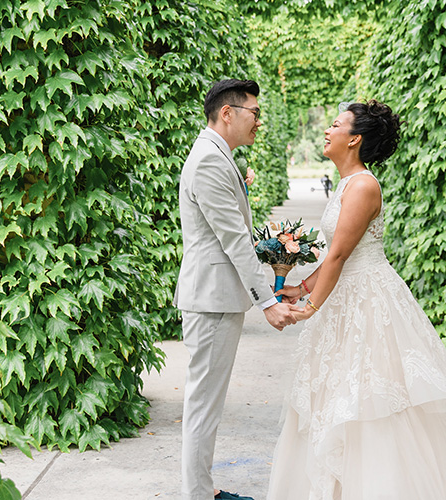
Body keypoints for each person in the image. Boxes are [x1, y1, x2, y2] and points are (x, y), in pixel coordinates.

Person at [268, 100, 446, 499]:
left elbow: (339, 255)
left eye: (335, 125)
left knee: (370, 395)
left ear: (354, 139)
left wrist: (311, 306)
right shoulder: (347, 183)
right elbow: (336, 252)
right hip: (346, 292)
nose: (327, 131)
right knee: (336, 392)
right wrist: (303, 286)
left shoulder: (365, 185)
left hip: (367, 299)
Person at [175, 79, 297, 500]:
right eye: (255, 113)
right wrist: (267, 300)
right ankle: (198, 495)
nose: (259, 121)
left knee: (207, 403)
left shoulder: (217, 155)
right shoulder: (209, 160)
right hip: (210, 299)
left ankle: (203, 490)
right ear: (228, 113)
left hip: (216, 297)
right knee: (203, 405)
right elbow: (232, 240)